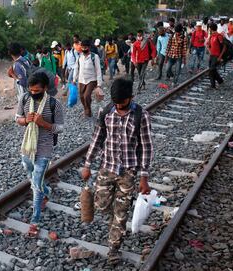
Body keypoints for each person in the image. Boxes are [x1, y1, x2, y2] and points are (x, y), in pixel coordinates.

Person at [81, 78, 153, 265]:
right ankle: (114, 221)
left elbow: (146, 147)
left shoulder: (141, 116)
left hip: (128, 172)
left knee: (121, 213)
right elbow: (97, 139)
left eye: (123, 103)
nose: (119, 106)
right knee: (102, 206)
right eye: (116, 104)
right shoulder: (105, 112)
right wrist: (87, 164)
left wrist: (144, 177)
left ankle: (114, 247)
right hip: (107, 167)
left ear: (132, 97)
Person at [16, 72, 64, 238]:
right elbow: (18, 119)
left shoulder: (54, 104)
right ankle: (47, 192)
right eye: (31, 90)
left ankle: (34, 222)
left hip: (44, 147)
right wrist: (26, 120)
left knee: (36, 185)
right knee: (30, 173)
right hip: (28, 146)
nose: (33, 93)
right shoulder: (24, 98)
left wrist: (43, 123)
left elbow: (60, 128)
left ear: (45, 88)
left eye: (37, 90)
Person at [73, 39, 103, 118]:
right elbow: (76, 68)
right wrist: (74, 79)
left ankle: (88, 111)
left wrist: (99, 84)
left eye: (85, 47)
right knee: (82, 96)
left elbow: (98, 70)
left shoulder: (94, 57)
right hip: (81, 79)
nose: (83, 49)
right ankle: (86, 108)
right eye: (82, 47)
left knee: (86, 96)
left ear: (89, 47)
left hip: (92, 80)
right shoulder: (79, 57)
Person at [207, 23, 226, 89]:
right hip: (211, 55)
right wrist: (209, 51)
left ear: (211, 29)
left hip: (216, 56)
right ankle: (219, 81)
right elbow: (208, 45)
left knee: (212, 70)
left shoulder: (219, 36)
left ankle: (213, 85)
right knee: (212, 70)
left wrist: (220, 57)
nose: (209, 30)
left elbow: (224, 47)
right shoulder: (212, 36)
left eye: (210, 29)